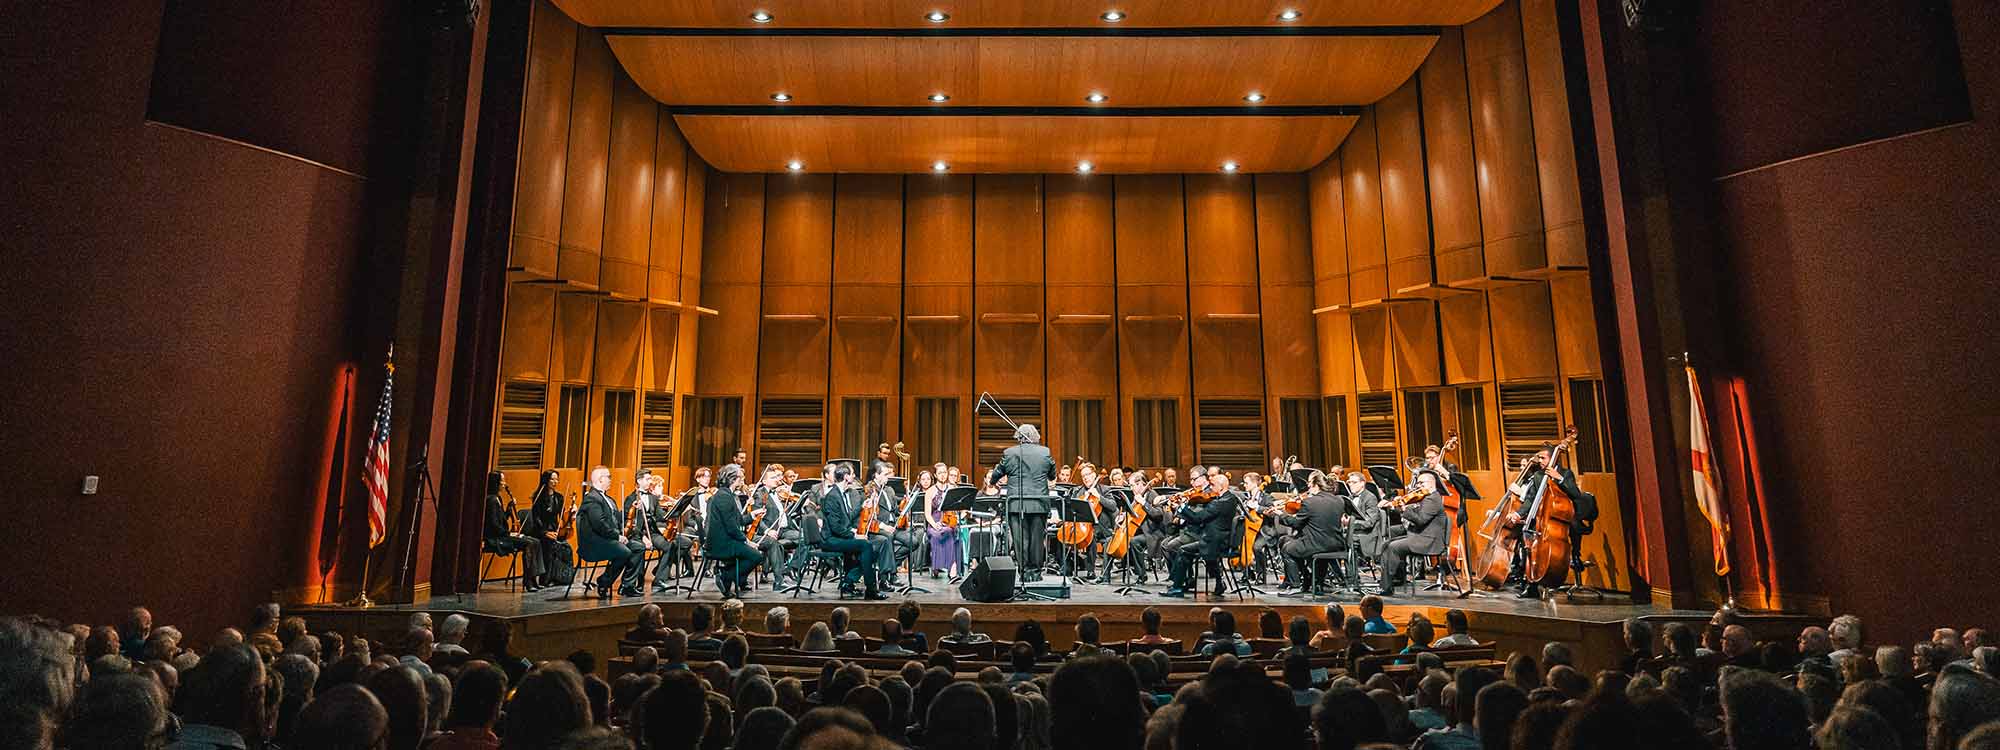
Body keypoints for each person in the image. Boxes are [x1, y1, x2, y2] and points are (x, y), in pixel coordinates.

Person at [988, 423, 1057, 579]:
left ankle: (1024, 573)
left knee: (1020, 540)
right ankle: (1036, 573)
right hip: (1039, 503)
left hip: (1016, 504)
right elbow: (1052, 475)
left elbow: (997, 473)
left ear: (1019, 437)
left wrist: (993, 482)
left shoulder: (1009, 453)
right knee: (1037, 540)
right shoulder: (1045, 452)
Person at [1163, 468, 1241, 598]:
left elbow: (1197, 518)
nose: (1211, 488)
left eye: (1213, 485)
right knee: (1182, 548)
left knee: (1183, 550)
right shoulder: (1230, 498)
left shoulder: (1218, 503)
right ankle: (1218, 582)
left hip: (1213, 541)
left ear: (1221, 487)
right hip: (1219, 539)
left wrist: (1182, 507)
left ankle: (1177, 588)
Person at [1277, 470, 1351, 596]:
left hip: (1317, 543)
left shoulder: (1309, 502)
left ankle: (1298, 583)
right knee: (1304, 546)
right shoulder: (1339, 500)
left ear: (1315, 484)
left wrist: (1281, 514)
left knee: (1287, 549)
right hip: (1336, 544)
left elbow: (1296, 523)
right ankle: (1317, 583)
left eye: (1309, 483)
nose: (1308, 486)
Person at [1376, 470, 1449, 596]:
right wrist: (1400, 508)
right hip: (1421, 535)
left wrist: (1404, 509)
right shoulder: (1426, 498)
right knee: (1387, 543)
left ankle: (1386, 587)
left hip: (1428, 540)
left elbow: (1420, 520)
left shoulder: (1433, 499)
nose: (1418, 485)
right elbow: (1416, 515)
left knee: (1393, 547)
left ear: (1431, 483)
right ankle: (1396, 578)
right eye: (1418, 483)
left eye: (1421, 483)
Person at [818, 463, 885, 600]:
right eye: (853, 474)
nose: (854, 476)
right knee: (865, 545)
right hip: (830, 540)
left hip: (839, 536)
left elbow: (845, 520)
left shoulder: (841, 493)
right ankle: (871, 589)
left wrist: (861, 509)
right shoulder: (833, 496)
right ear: (846, 476)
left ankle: (848, 581)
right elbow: (835, 527)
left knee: (874, 547)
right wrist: (854, 534)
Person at [574, 465, 641, 599]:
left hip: (607, 540)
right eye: (608, 477)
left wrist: (631, 511)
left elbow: (617, 519)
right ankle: (604, 582)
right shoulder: (592, 498)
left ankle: (627, 586)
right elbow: (599, 524)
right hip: (594, 543)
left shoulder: (609, 499)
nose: (611, 480)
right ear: (600, 480)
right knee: (624, 551)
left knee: (638, 547)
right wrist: (617, 536)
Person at [704, 464, 764, 598]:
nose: (742, 480)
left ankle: (730, 576)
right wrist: (747, 542)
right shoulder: (723, 497)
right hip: (721, 543)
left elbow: (739, 520)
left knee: (754, 554)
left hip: (727, 539)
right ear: (732, 479)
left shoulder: (727, 494)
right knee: (756, 556)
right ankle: (727, 576)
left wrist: (753, 515)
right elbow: (731, 527)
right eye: (740, 477)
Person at [482, 472, 543, 591]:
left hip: (502, 534)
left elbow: (501, 520)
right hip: (495, 538)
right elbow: (493, 525)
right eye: (502, 481)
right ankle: (527, 581)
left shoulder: (498, 498)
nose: (504, 484)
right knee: (528, 543)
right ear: (496, 483)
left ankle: (533, 578)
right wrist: (509, 534)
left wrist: (509, 509)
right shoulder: (491, 500)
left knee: (536, 541)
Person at [748, 465, 797, 591]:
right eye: (772, 477)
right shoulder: (760, 494)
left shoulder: (778, 493)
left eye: (777, 477)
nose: (777, 479)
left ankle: (789, 569)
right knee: (774, 543)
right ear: (764, 481)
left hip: (783, 530)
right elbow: (757, 517)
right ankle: (779, 581)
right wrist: (767, 530)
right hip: (768, 531)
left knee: (804, 537)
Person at [522, 470, 566, 588]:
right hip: (539, 529)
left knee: (562, 545)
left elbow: (561, 517)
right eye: (552, 479)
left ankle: (552, 577)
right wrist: (545, 532)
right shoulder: (538, 497)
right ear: (546, 480)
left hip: (553, 528)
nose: (555, 482)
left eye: (557, 479)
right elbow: (536, 518)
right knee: (547, 543)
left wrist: (572, 511)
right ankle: (540, 579)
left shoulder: (559, 497)